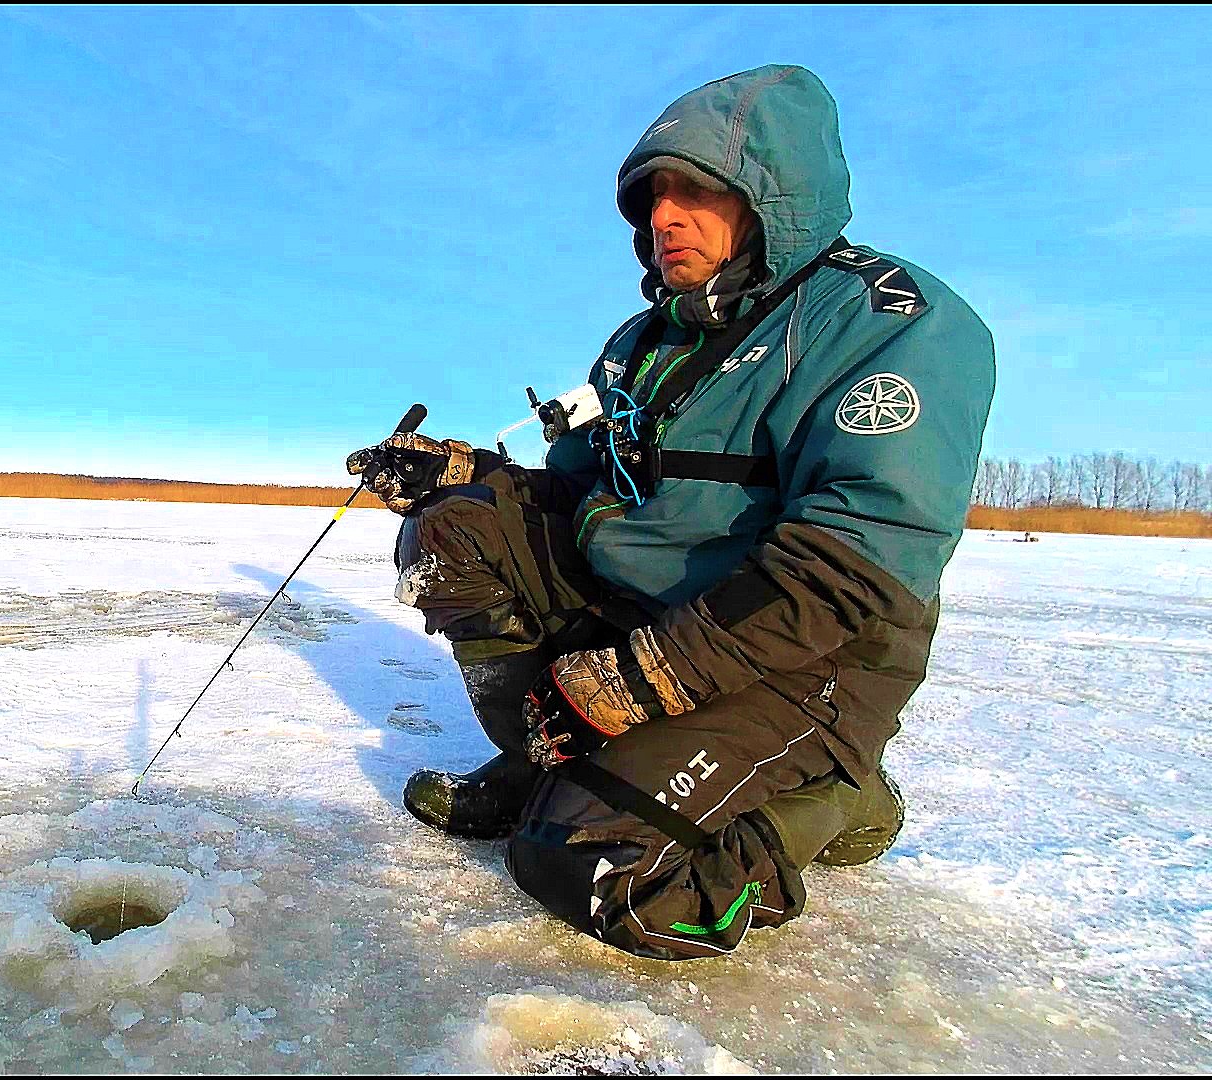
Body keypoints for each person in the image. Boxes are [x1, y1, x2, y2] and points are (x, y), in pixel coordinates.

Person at [345, 64, 994, 961]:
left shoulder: (888, 320)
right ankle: (546, 764)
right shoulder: (642, 342)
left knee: (594, 867)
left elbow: (858, 559)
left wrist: (647, 679)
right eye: (652, 197)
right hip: (651, 617)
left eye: (695, 190)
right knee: (458, 523)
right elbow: (582, 490)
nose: (663, 217)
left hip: (808, 659)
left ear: (772, 197)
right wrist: (463, 472)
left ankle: (837, 797)